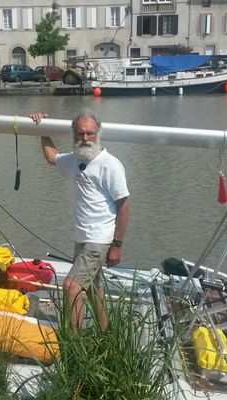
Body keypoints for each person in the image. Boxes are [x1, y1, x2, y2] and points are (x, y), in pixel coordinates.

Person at [30, 109, 130, 331]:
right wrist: (42, 128)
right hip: (82, 237)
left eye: (90, 134)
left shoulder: (110, 164)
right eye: (80, 133)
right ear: (74, 134)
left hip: (99, 239)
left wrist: (117, 245)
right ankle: (107, 334)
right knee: (94, 290)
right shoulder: (74, 160)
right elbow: (51, 157)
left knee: (71, 287)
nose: (85, 139)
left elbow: (124, 207)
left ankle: (74, 344)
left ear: (98, 134)